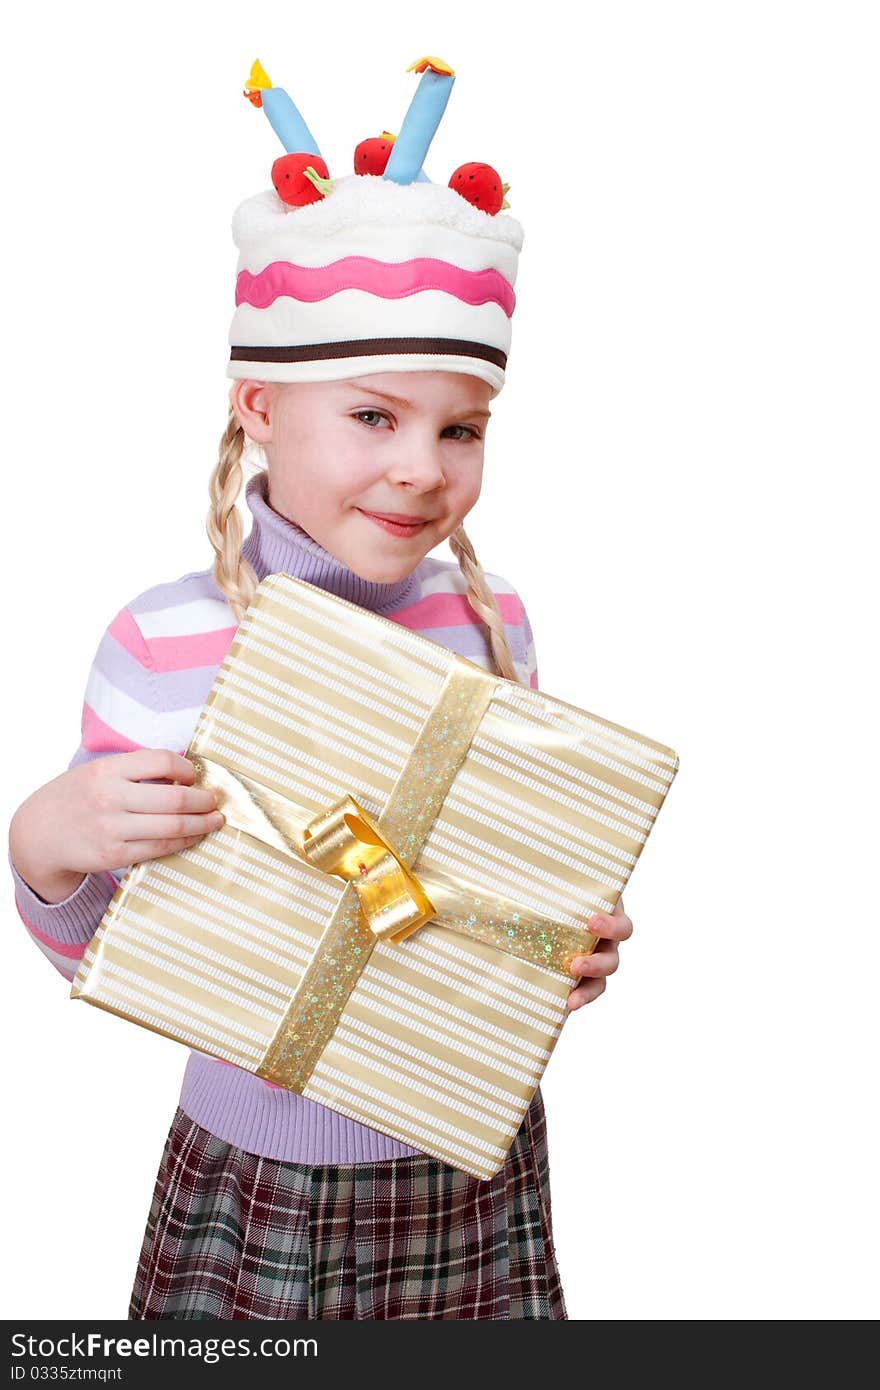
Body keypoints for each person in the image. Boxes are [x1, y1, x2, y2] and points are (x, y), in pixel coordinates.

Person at [7, 56, 634, 1320]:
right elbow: (104, 955)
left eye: (460, 429)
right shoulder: (164, 636)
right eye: (372, 416)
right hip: (257, 1170)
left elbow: (500, 887)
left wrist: (558, 946)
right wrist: (48, 841)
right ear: (257, 409)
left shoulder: (494, 620)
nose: (420, 469)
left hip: (470, 1147)